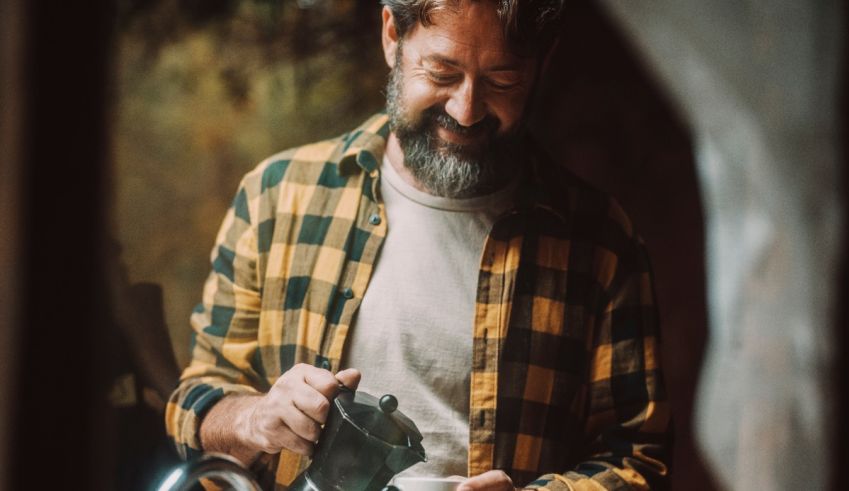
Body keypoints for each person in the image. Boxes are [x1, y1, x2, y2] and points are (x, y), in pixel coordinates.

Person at [166, 1, 671, 489]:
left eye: (503, 81)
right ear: (392, 36)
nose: (467, 109)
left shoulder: (601, 239)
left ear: (543, 65)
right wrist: (255, 418)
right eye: (442, 73)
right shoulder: (277, 196)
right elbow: (197, 400)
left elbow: (640, 458)